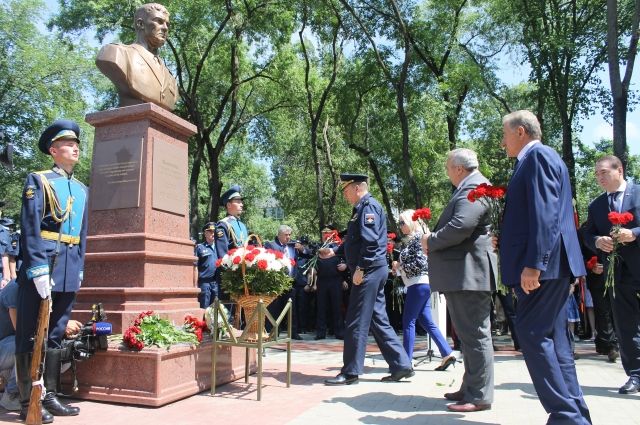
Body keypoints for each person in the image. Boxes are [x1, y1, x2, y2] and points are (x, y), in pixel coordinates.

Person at [500, 110, 590, 424]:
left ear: (521, 132)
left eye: (505, 134)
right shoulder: (540, 159)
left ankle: (566, 416)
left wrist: (533, 265)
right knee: (555, 340)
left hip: (543, 269)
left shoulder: (537, 157)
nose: (502, 142)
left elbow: (546, 214)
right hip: (551, 266)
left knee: (532, 333)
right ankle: (576, 413)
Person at [15, 120, 88, 423]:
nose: (75, 148)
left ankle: (51, 395)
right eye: (68, 144)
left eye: (77, 144)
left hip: (69, 267)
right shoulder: (39, 180)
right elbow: (30, 228)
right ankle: (26, 399)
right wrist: (37, 268)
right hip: (44, 264)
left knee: (56, 333)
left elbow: (83, 234)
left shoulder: (83, 189)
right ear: (53, 150)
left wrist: (80, 267)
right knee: (30, 334)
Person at [421, 148, 496, 412]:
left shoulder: (472, 188)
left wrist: (431, 241)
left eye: (447, 168)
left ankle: (479, 395)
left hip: (469, 274)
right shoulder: (473, 186)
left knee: (474, 335)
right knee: (468, 336)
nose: (447, 173)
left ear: (458, 169)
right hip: (466, 274)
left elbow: (461, 226)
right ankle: (470, 388)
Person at [320, 173, 413, 385]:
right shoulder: (361, 209)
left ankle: (350, 372)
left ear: (357, 188)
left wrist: (360, 268)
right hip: (371, 270)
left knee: (355, 321)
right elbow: (355, 240)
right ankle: (401, 365)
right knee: (377, 320)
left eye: (346, 190)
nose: (344, 195)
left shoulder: (368, 207)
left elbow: (371, 243)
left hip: (368, 271)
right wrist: (335, 251)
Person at [582, 155, 640, 394]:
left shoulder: (638, 193)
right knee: (625, 325)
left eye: (604, 172)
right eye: (597, 174)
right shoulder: (596, 205)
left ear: (620, 170)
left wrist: (635, 233)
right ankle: (636, 375)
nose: (599, 177)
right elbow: (586, 233)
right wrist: (597, 240)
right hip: (617, 274)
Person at [392, 209, 455, 370]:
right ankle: (447, 353)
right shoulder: (417, 237)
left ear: (411, 222)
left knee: (408, 322)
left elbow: (421, 264)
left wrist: (399, 267)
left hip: (418, 283)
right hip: (421, 283)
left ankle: (406, 362)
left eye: (402, 222)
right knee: (426, 320)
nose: (400, 226)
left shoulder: (419, 237)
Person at [96, 3, 178, 110]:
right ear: (140, 24)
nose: (165, 28)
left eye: (167, 24)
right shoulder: (117, 53)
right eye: (159, 21)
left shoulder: (171, 78)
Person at [265, 225, 309, 340]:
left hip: (290, 282)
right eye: (286, 235)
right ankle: (273, 332)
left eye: (289, 235)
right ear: (279, 235)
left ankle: (293, 332)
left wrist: (301, 249)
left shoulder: (293, 246)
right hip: (276, 283)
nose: (288, 237)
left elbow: (308, 253)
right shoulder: (271, 245)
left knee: (291, 309)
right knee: (275, 308)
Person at [314, 226, 347, 340]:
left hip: (335, 279)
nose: (326, 235)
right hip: (322, 280)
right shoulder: (317, 247)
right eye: (324, 233)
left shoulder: (337, 247)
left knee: (337, 307)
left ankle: (339, 331)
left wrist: (346, 266)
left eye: (328, 233)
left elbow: (347, 258)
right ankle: (320, 332)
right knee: (321, 307)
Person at [0, 280, 20, 411]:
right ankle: (11, 396)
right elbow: (20, 329)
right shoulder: (15, 287)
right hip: (4, 347)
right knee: (29, 346)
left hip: (7, 345)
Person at [215, 184, 248, 256]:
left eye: (241, 202)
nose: (241, 204)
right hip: (231, 266)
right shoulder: (223, 224)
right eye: (238, 202)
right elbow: (222, 255)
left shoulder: (242, 225)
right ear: (229, 205)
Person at [195, 222, 218, 308]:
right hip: (204, 283)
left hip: (216, 283)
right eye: (210, 231)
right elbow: (195, 267)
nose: (213, 234)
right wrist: (195, 285)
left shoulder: (220, 247)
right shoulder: (200, 247)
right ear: (205, 233)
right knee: (204, 308)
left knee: (216, 309)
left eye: (214, 232)